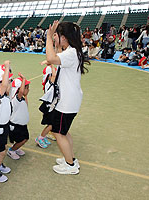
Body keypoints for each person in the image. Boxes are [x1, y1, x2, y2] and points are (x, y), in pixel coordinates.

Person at [45, 20, 89, 174]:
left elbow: (51, 58)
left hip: (67, 102)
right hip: (70, 100)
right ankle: (70, 158)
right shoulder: (72, 51)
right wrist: (54, 42)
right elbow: (55, 55)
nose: (55, 38)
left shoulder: (70, 53)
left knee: (58, 133)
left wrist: (48, 38)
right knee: (64, 132)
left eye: (57, 36)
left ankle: (70, 165)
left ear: (64, 37)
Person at [7, 73, 30, 160]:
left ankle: (16, 147)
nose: (28, 89)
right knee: (24, 139)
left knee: (21, 139)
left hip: (21, 124)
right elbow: (20, 93)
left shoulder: (21, 99)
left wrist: (26, 95)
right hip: (16, 125)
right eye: (26, 88)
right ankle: (12, 150)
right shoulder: (16, 98)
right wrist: (23, 79)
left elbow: (26, 105)